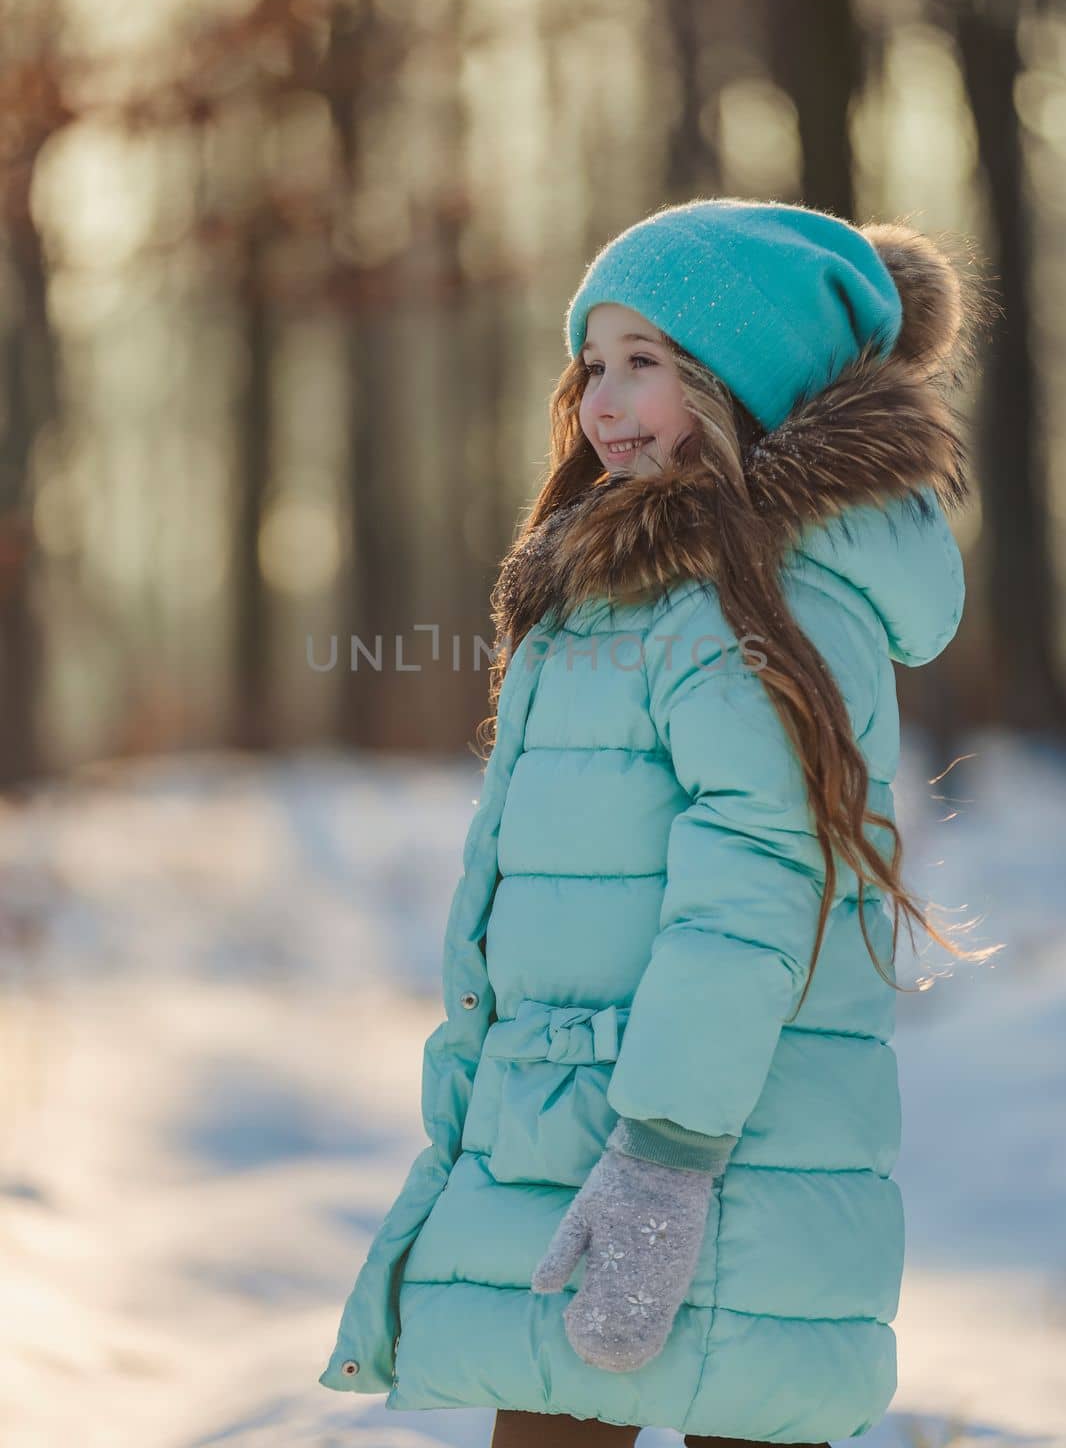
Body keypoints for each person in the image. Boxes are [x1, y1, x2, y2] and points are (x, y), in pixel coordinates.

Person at [318, 198, 1000, 1444]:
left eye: (648, 365)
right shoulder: (629, 583)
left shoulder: (759, 598)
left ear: (740, 384)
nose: (603, 400)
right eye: (593, 364)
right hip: (583, 1128)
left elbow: (755, 877)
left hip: (708, 1149)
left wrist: (665, 1157)